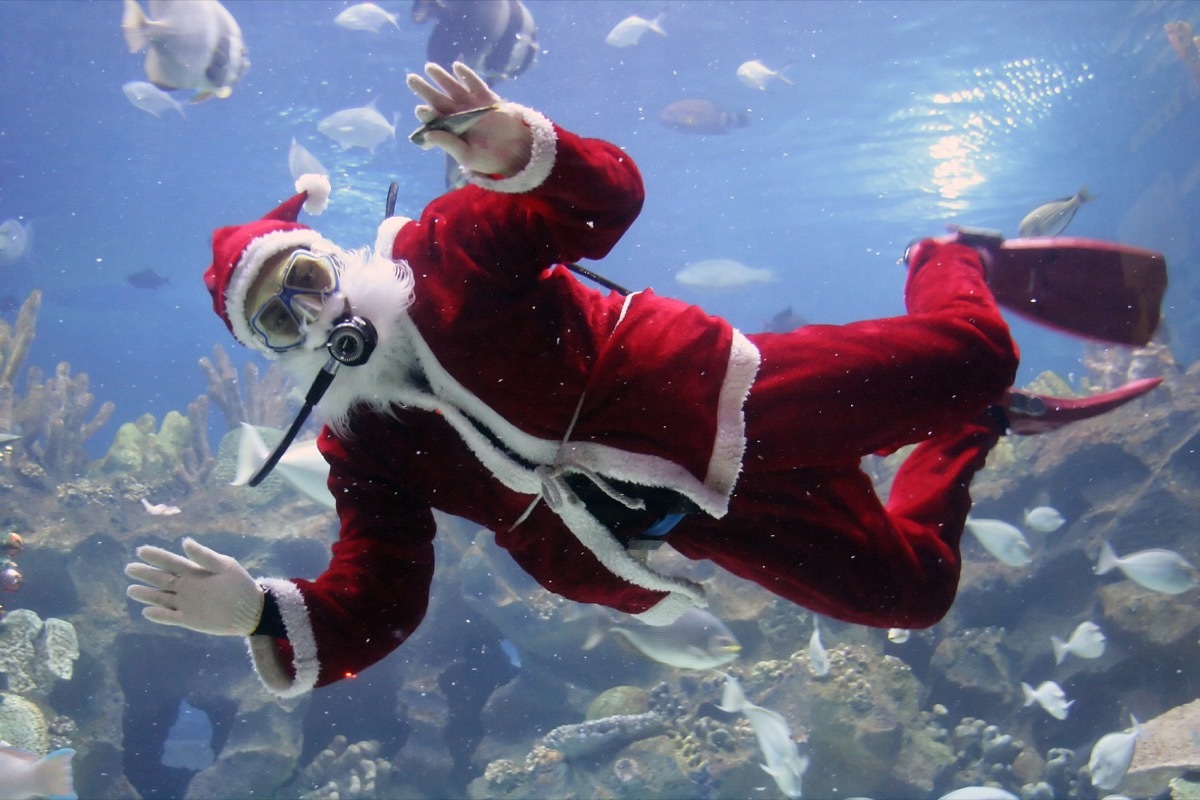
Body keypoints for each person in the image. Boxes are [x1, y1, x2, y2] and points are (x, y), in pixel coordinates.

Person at [125, 62, 1155, 697]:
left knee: (979, 351)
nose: (312, 315)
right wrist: (260, 612)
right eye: (278, 320)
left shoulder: (443, 253)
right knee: (914, 590)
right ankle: (973, 433)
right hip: (683, 518)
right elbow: (381, 591)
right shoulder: (365, 447)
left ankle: (945, 256)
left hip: (725, 397)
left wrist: (516, 149)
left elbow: (602, 202)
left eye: (304, 281)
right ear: (272, 352)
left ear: (331, 256)